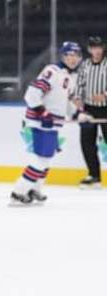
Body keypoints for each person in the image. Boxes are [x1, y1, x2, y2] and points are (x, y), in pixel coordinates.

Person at [11, 42, 92, 204]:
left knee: (46, 158)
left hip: (52, 124)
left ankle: (35, 189)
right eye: (70, 55)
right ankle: (18, 191)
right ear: (63, 56)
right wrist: (43, 113)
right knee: (42, 159)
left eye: (77, 55)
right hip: (41, 122)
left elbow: (65, 102)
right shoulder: (52, 71)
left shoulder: (70, 77)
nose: (73, 59)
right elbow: (31, 94)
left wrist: (78, 115)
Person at [74, 36, 107, 189]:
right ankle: (94, 175)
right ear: (89, 49)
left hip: (105, 108)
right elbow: (80, 84)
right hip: (89, 109)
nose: (96, 50)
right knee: (87, 142)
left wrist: (105, 95)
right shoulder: (85, 65)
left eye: (99, 47)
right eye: (93, 47)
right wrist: (78, 98)